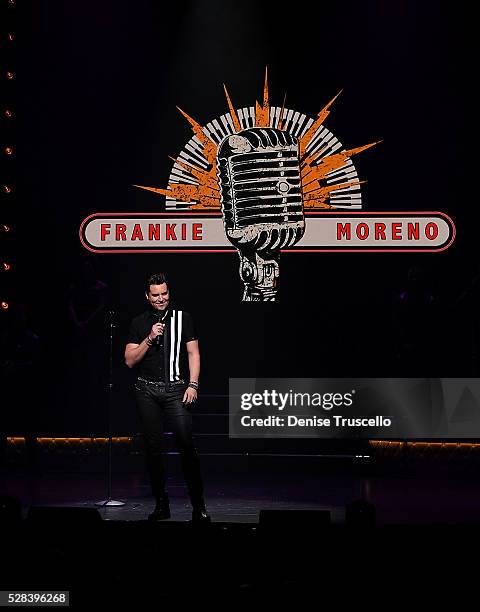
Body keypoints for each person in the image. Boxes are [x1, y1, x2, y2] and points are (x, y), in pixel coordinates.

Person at [124, 272, 210, 523]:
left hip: (176, 389)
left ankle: (198, 505)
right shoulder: (139, 323)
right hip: (147, 390)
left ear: (169, 293)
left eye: (164, 294)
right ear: (147, 297)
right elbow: (129, 360)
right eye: (156, 295)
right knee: (153, 450)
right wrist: (149, 338)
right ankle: (162, 504)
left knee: (186, 446)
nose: (161, 299)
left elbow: (194, 353)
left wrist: (193, 385)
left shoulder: (184, 318)